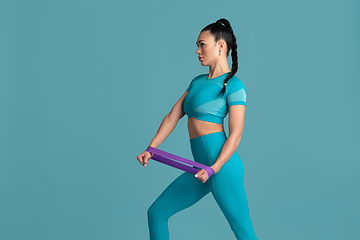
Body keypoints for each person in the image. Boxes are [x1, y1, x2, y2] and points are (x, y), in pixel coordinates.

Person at [137, 18, 258, 240]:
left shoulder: (233, 85)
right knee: (156, 213)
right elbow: (172, 116)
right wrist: (151, 148)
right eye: (197, 45)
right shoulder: (197, 81)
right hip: (200, 167)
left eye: (202, 44)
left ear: (220, 46)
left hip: (223, 167)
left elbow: (236, 133)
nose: (197, 51)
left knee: (243, 231)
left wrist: (214, 167)